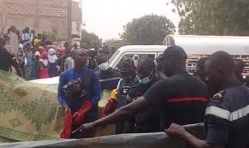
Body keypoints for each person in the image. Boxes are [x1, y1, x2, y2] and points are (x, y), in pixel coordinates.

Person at [73, 45, 208, 137]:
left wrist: (94, 123)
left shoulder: (165, 85)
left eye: (163, 62)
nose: (160, 66)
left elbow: (128, 110)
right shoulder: (202, 86)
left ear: (171, 61)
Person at [58, 49, 102, 134]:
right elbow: (60, 94)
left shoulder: (93, 74)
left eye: (86, 55)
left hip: (89, 115)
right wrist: (66, 106)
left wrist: (84, 110)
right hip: (72, 114)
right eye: (81, 55)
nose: (84, 57)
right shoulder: (65, 75)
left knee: (88, 142)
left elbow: (97, 95)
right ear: (73, 57)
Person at [126, 57, 161, 133]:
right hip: (139, 132)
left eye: (144, 72)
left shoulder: (161, 89)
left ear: (153, 71)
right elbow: (129, 119)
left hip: (157, 133)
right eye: (138, 72)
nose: (140, 75)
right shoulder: (133, 90)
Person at [115, 58, 138, 134]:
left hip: (131, 119)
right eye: (124, 74)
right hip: (120, 116)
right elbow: (118, 95)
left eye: (129, 74)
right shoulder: (121, 81)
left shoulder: (138, 81)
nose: (127, 77)